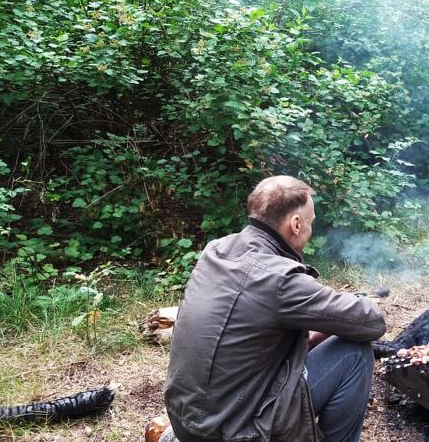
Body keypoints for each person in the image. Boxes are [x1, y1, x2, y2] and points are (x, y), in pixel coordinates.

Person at [164, 176, 387, 442]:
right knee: (355, 354)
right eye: (311, 222)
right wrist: (350, 305)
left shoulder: (216, 250)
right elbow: (372, 323)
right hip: (236, 433)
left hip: (187, 422)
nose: (311, 229)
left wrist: (314, 335)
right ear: (296, 224)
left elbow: (246, 338)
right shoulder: (280, 280)